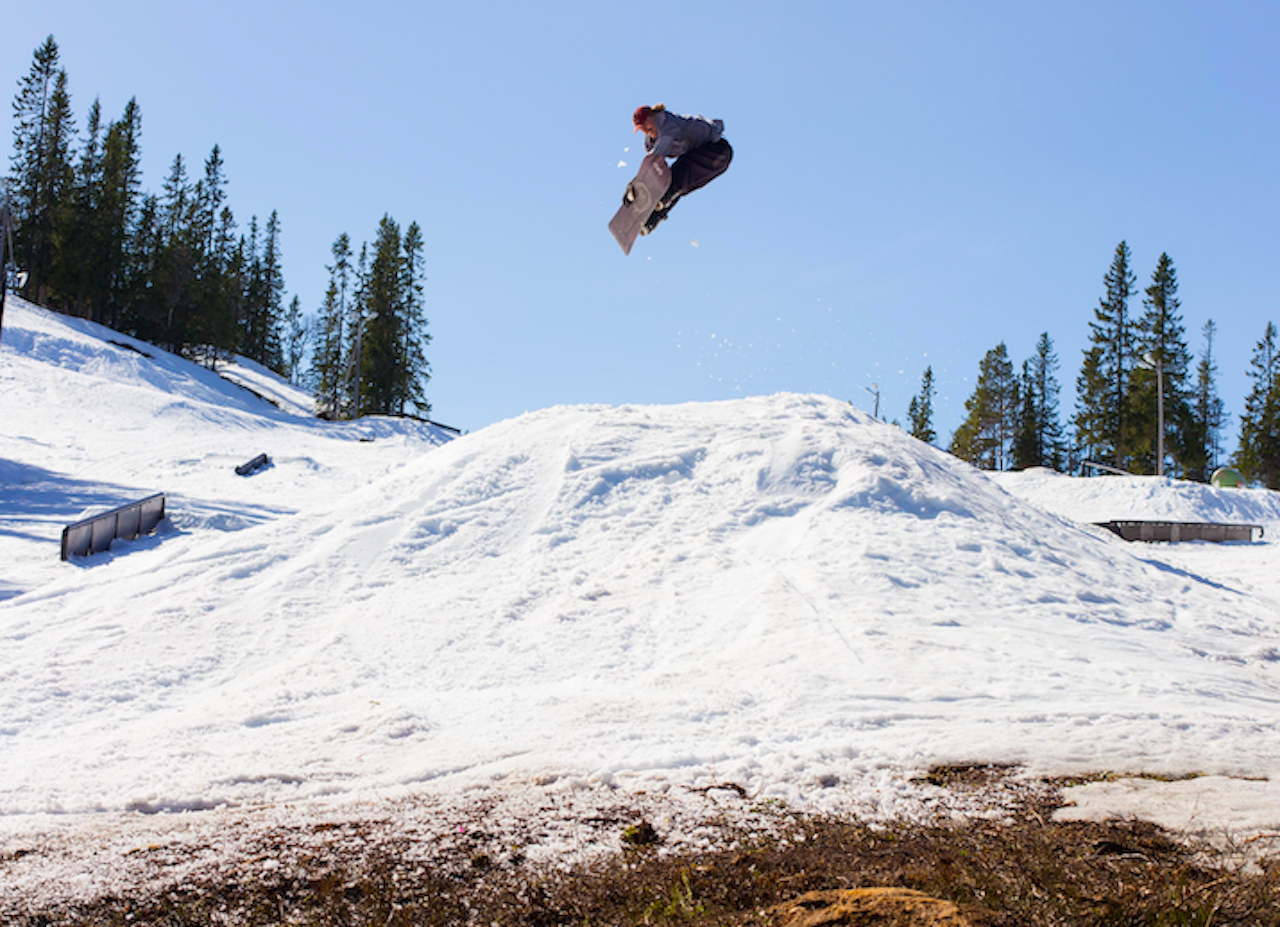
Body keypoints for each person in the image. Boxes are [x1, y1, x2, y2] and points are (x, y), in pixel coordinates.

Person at [630, 104, 732, 235]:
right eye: (642, 129)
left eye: (646, 125)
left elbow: (659, 152)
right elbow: (655, 159)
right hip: (702, 155)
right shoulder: (652, 141)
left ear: (653, 116)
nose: (645, 130)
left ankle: (664, 197)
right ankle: (653, 217)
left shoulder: (666, 122)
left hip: (718, 151)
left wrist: (639, 179)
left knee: (682, 171)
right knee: (676, 181)